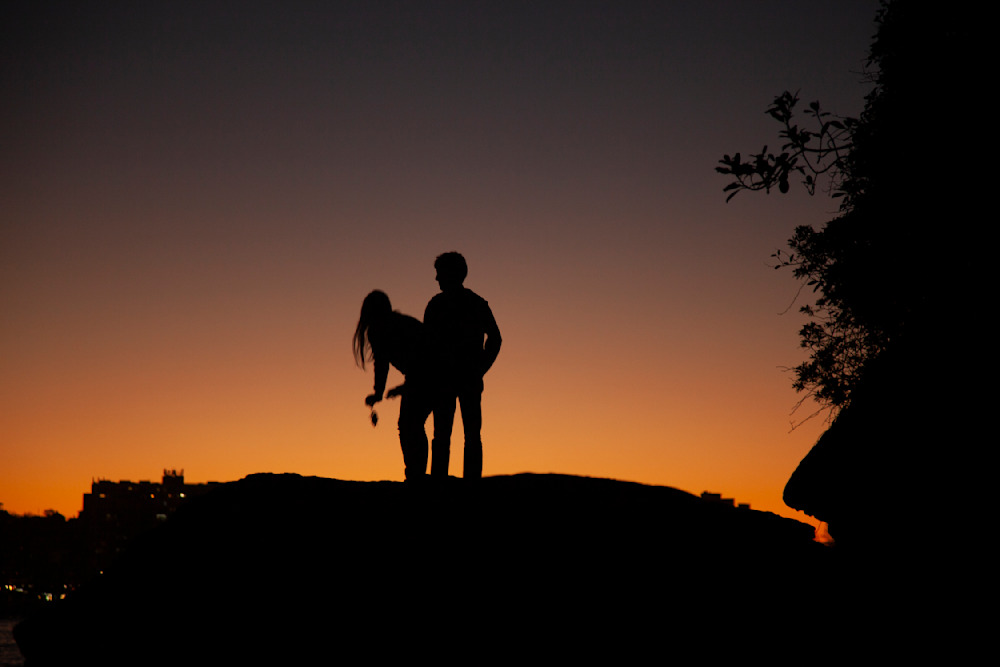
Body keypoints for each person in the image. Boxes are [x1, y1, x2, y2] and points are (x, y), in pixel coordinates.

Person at [424, 252, 501, 479]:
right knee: (456, 435)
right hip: (451, 379)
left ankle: (454, 484)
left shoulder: (442, 305)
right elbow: (427, 344)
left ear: (452, 274)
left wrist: (480, 368)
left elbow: (495, 339)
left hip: (457, 379)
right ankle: (457, 483)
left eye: (440, 273)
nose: (436, 278)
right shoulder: (449, 304)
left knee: (457, 435)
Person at [353, 290, 434, 481]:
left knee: (409, 425)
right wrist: (381, 391)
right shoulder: (396, 324)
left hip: (431, 374)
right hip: (426, 375)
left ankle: (416, 476)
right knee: (411, 425)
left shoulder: (387, 328)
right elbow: (384, 363)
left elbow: (419, 362)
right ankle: (416, 474)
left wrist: (385, 391)